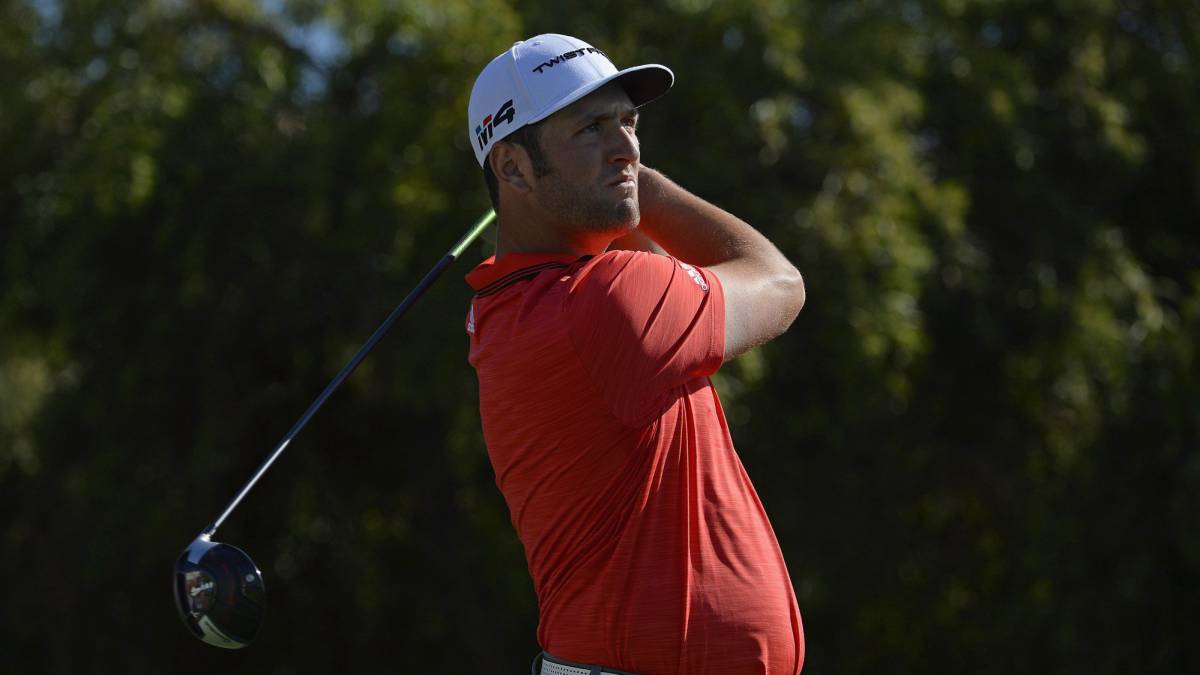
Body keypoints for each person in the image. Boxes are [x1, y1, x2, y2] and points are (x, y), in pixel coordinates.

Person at [464, 33, 806, 675]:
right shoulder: (604, 300)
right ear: (512, 168)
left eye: (628, 123)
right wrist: (644, 187)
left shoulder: (508, 308)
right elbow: (779, 282)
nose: (626, 147)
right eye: (591, 129)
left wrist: (608, 179)